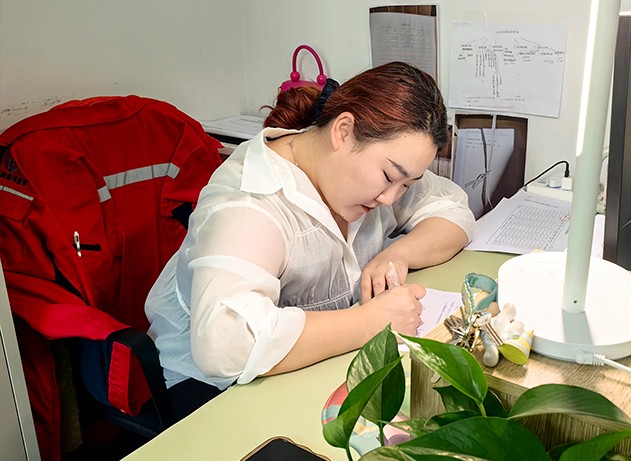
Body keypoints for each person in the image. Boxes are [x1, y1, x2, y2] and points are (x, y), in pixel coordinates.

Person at [145, 61, 475, 390]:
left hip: (313, 368)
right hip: (212, 392)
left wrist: (397, 254)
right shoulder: (251, 201)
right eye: (389, 176)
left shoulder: (369, 176)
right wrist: (368, 322)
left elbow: (454, 211)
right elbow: (224, 345)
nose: (390, 198)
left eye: (406, 184)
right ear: (343, 131)